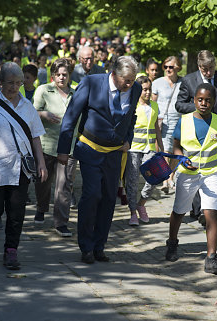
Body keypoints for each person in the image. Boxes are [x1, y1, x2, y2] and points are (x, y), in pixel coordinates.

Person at [57, 56, 141, 264]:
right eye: (126, 80)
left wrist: (128, 139)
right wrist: (63, 149)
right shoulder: (92, 83)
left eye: (133, 80)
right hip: (89, 148)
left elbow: (132, 115)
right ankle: (86, 247)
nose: (130, 84)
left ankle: (99, 246)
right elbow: (71, 116)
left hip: (114, 153)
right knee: (92, 194)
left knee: (109, 198)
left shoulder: (135, 89)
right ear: (114, 74)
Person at [0, 62, 47, 270]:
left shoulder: (27, 107)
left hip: (20, 169)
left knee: (16, 213)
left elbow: (35, 138)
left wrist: (41, 163)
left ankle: (11, 251)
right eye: (10, 83)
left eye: (18, 83)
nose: (15, 87)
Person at [165, 83, 217, 275]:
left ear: (213, 102)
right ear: (194, 100)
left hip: (210, 173)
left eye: (208, 100)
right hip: (188, 174)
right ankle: (172, 243)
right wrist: (181, 161)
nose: (203, 103)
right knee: (179, 211)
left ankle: (211, 258)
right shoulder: (184, 121)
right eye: (200, 100)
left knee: (212, 213)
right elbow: (176, 147)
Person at [176, 50, 217, 220]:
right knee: (195, 167)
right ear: (199, 67)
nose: (208, 72)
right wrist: (199, 108)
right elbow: (179, 105)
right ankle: (197, 208)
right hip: (194, 130)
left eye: (211, 68)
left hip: (215, 131)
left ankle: (207, 210)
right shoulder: (189, 80)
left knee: (211, 168)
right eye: (204, 69)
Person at [33, 58, 76, 236]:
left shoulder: (77, 93)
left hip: (69, 147)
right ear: (52, 75)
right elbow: (31, 113)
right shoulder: (43, 90)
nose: (61, 78)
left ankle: (60, 222)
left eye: (64, 75)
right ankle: (41, 208)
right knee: (43, 181)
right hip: (46, 144)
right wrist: (43, 114)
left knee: (64, 186)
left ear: (70, 76)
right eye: (57, 75)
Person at [125, 76, 164, 226]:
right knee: (133, 181)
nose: (148, 93)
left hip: (150, 148)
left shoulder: (154, 106)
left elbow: (156, 127)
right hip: (133, 148)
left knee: (155, 177)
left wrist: (160, 146)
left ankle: (141, 204)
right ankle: (132, 212)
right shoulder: (132, 105)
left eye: (150, 90)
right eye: (145, 90)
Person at [152, 56, 183, 193]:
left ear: (178, 67)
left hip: (179, 120)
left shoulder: (183, 83)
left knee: (176, 151)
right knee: (165, 150)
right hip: (163, 121)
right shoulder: (157, 83)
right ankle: (165, 179)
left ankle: (171, 176)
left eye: (171, 67)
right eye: (166, 67)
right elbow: (153, 104)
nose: (168, 69)